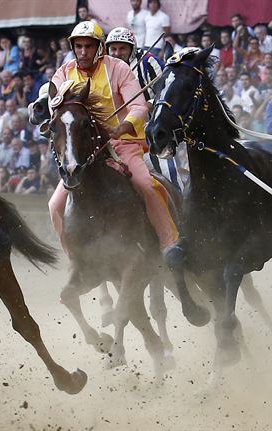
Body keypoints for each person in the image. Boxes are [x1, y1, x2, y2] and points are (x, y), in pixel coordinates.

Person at [48, 21, 182, 265]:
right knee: (54, 205)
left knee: (146, 185)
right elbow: (53, 103)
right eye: (78, 46)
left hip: (124, 144)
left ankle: (168, 243)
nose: (83, 51)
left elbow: (140, 106)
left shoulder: (118, 68)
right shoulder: (64, 72)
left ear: (99, 48)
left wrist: (125, 125)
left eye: (89, 46)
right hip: (86, 150)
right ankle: (74, 259)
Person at [105, 26, 187, 192]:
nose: (117, 53)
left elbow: (167, 90)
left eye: (122, 48)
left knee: (168, 172)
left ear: (132, 49)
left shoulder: (148, 62)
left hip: (150, 131)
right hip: (115, 135)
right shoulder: (104, 68)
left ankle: (181, 201)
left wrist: (146, 106)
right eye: (113, 49)